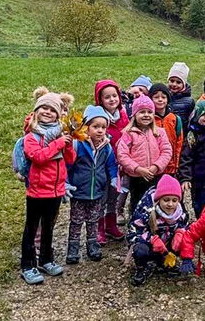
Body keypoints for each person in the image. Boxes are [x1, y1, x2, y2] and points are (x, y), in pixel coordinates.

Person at [19, 91, 76, 284]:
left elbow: (70, 160)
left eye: (53, 109)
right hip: (37, 191)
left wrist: (67, 145)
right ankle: (28, 264)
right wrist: (59, 144)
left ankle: (45, 259)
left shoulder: (61, 133)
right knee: (32, 228)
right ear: (36, 111)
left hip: (56, 190)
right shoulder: (31, 137)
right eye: (44, 107)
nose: (48, 112)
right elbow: (38, 158)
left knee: (49, 227)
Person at [65, 105, 117, 264]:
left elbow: (111, 165)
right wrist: (66, 183)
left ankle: (92, 244)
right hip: (79, 191)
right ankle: (73, 247)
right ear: (86, 128)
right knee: (76, 220)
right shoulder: (78, 145)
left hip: (97, 191)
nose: (100, 131)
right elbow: (67, 165)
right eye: (95, 127)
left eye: (103, 127)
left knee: (94, 220)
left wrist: (114, 178)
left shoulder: (106, 147)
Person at [127, 174, 190, 286]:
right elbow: (132, 233)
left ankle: (166, 261)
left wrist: (181, 232)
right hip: (150, 245)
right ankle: (141, 268)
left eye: (174, 200)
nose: (170, 204)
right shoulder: (146, 211)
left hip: (166, 245)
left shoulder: (181, 212)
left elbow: (186, 226)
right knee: (140, 250)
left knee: (184, 241)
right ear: (159, 199)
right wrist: (151, 239)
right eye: (166, 200)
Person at [116, 94, 173, 213]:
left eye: (149, 112)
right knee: (137, 203)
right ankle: (137, 227)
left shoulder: (159, 133)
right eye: (142, 112)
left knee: (155, 202)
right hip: (137, 177)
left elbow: (167, 151)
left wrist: (156, 166)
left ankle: (154, 227)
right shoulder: (129, 134)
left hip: (155, 175)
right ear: (134, 114)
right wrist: (137, 168)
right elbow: (122, 154)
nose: (146, 115)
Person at [93, 79, 129, 242]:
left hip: (119, 164)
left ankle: (111, 224)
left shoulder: (122, 115)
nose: (112, 99)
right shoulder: (98, 118)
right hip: (101, 164)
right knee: (101, 196)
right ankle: (99, 227)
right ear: (100, 100)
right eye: (107, 97)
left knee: (114, 195)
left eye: (115, 95)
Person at [150, 83, 184, 177]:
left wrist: (176, 165)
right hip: (153, 168)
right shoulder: (148, 119)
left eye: (163, 97)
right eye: (156, 97)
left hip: (171, 168)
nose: (160, 99)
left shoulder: (175, 119)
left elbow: (179, 143)